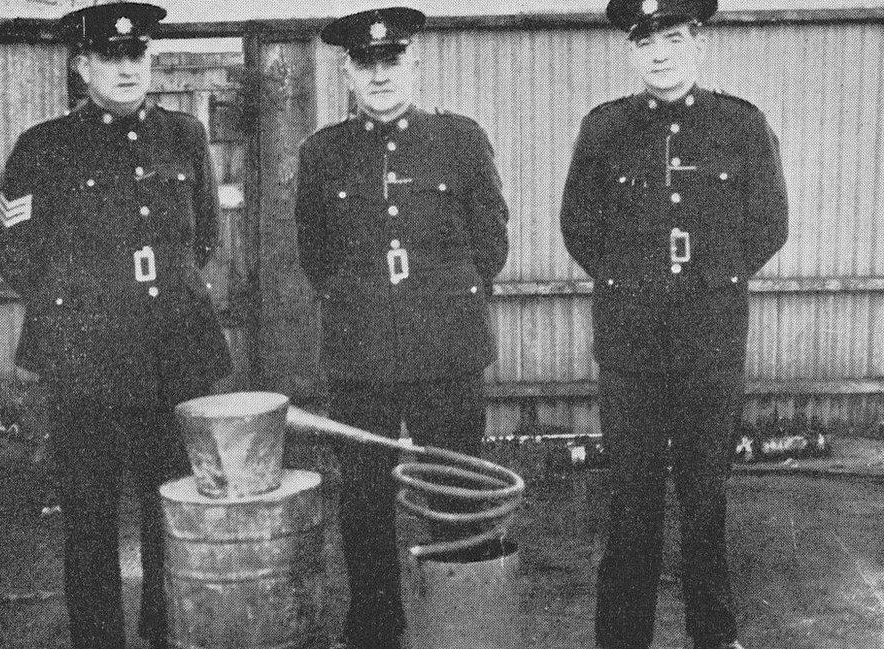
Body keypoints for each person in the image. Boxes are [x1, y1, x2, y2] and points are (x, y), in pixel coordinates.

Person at [0, 3, 231, 648]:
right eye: (109, 57)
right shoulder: (44, 147)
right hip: (84, 367)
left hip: (171, 359)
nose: (126, 68)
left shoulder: (184, 136)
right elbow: (12, 253)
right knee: (89, 522)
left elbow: (201, 237)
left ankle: (160, 636)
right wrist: (79, 311)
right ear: (82, 65)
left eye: (136, 55)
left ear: (149, 58)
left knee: (166, 513)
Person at [560, 1, 788, 648]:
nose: (658, 54)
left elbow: (769, 223)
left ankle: (715, 637)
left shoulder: (741, 127)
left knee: (704, 501)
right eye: (644, 40)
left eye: (671, 37)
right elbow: (579, 226)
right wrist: (636, 283)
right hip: (630, 347)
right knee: (632, 504)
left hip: (711, 343)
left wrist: (709, 280)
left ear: (698, 41)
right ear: (631, 51)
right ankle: (622, 638)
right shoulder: (604, 130)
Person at [294, 7, 509, 649]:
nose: (381, 74)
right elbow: (316, 256)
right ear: (349, 71)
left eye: (393, 60)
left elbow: (490, 243)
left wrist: (439, 302)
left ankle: (463, 629)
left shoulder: (461, 139)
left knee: (458, 496)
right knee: (365, 505)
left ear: (414, 61)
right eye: (367, 63)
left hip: (447, 352)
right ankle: (376, 631)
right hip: (362, 359)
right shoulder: (322, 153)